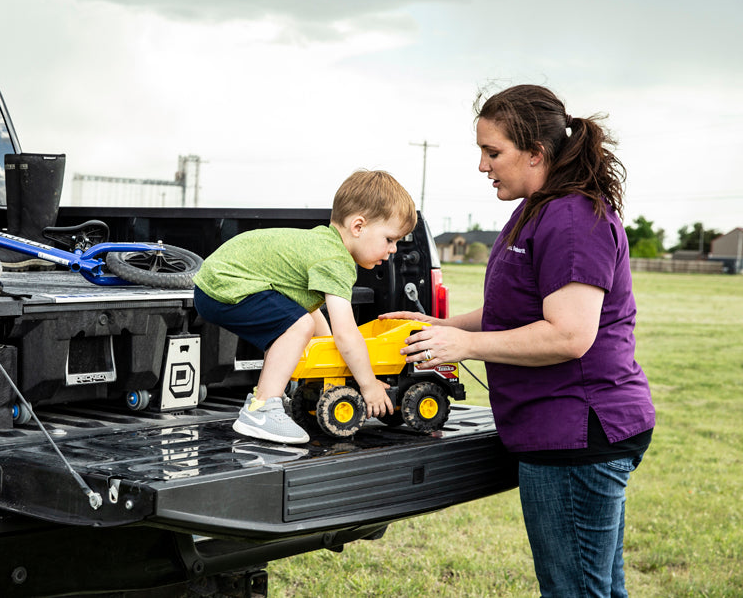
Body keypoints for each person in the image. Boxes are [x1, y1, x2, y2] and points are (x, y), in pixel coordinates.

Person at [384, 84, 655, 598]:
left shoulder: (574, 219)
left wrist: (466, 348)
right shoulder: (536, 210)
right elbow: (517, 311)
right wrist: (442, 328)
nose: (483, 167)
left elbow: (570, 335)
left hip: (577, 433)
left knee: (574, 591)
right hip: (562, 430)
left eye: (493, 152)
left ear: (536, 153)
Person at [193, 169, 417, 444]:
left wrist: (330, 368)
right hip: (225, 285)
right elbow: (346, 335)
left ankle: (269, 397)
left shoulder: (321, 244)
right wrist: (368, 385)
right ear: (358, 227)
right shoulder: (336, 260)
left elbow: (317, 323)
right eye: (389, 239)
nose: (393, 249)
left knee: (302, 322)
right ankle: (262, 407)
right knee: (299, 326)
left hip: (215, 284)